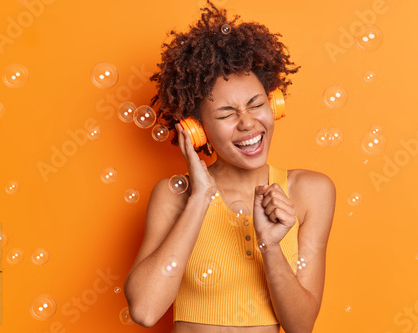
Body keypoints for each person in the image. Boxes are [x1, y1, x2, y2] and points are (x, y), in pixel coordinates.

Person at [124, 1, 336, 332]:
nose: (248, 124)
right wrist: (200, 198)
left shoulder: (310, 191)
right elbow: (146, 310)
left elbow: (301, 326)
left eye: (256, 105)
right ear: (196, 128)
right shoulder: (175, 196)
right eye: (226, 114)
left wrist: (270, 245)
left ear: (274, 105)